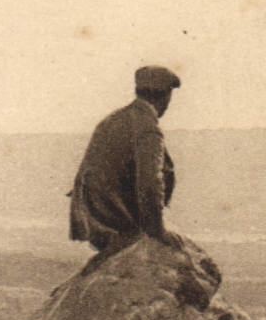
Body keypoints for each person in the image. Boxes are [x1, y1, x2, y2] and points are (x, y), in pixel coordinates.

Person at [68, 65, 182, 255]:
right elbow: (150, 183)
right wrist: (157, 230)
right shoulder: (147, 127)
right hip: (114, 221)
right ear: (165, 96)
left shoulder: (115, 119)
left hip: (90, 217)